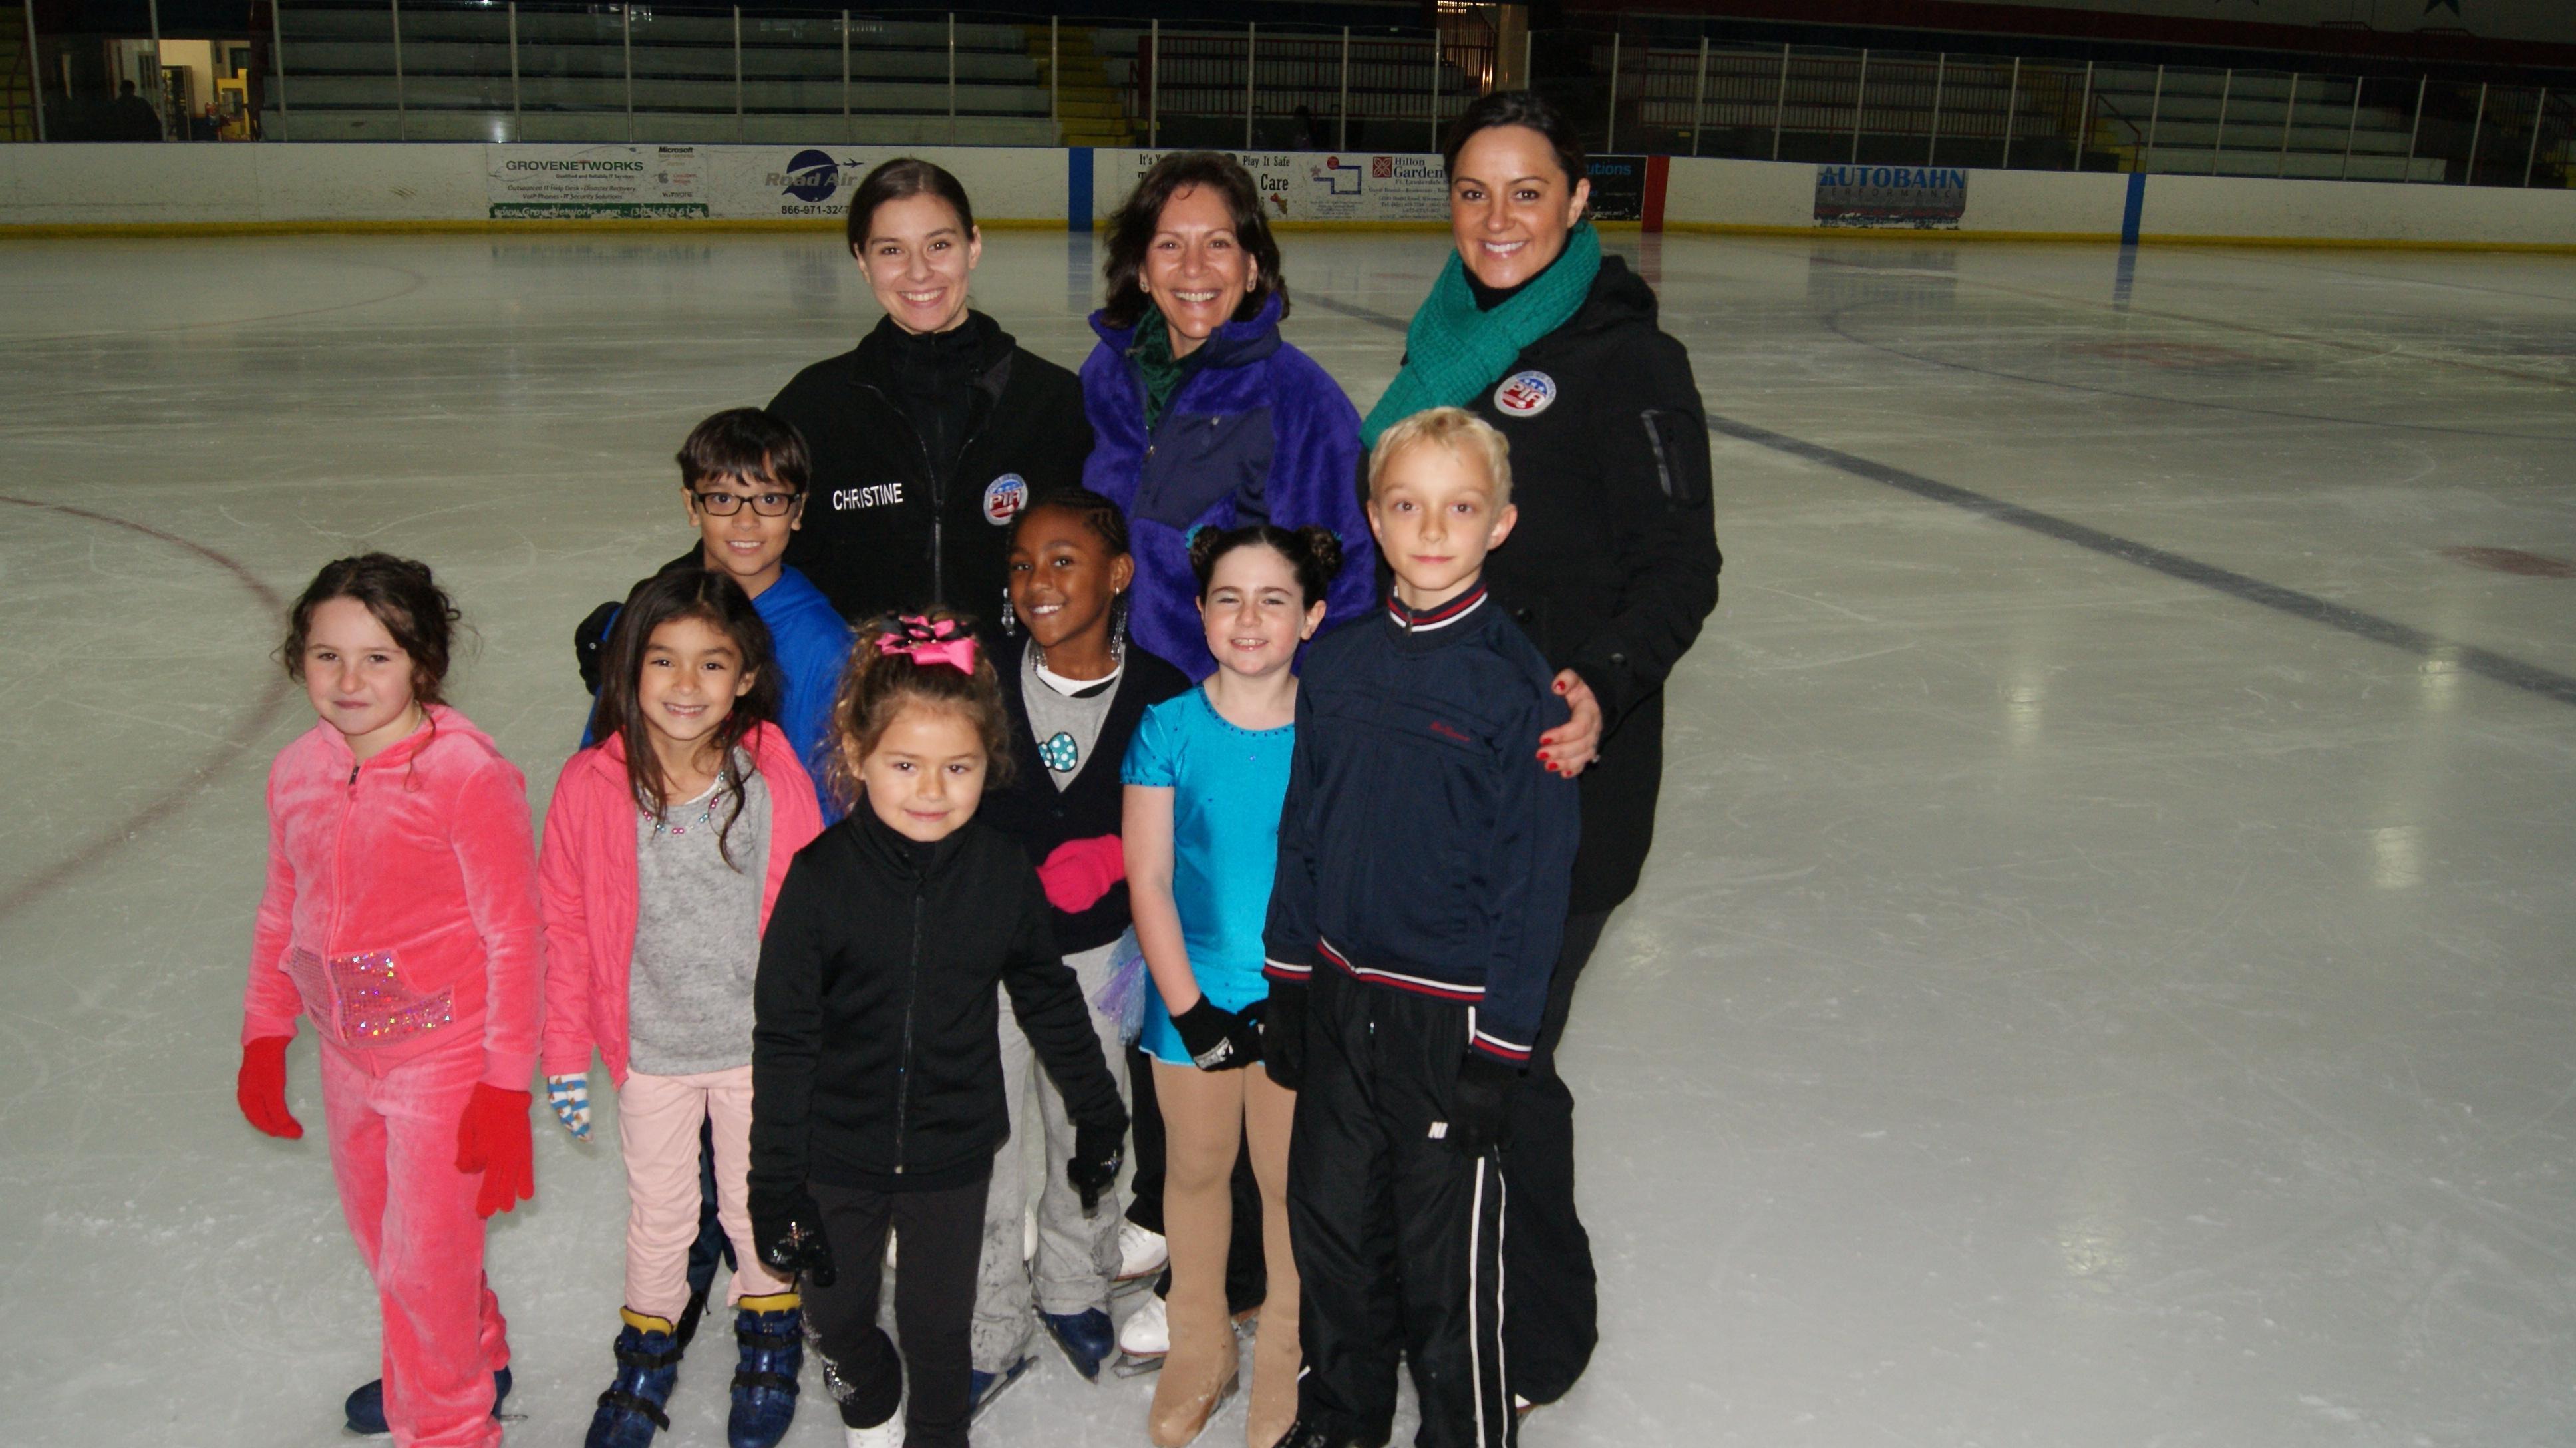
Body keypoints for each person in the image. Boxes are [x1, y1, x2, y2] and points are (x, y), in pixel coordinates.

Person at [1362, 90, 1722, 1412]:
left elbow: (1683, 567)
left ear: (1578, 202)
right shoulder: (1441, 342)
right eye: (1473, 190)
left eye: (1527, 191)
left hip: (1567, 777)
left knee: (1499, 1054)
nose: (1497, 217)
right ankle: (1453, 1279)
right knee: (1443, 1041)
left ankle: (1537, 1325)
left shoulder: (1629, 359)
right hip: (1435, 765)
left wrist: (1602, 687)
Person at [1263, 407, 1580, 1448]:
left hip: (1451, 1026)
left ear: (1503, 524)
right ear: (1372, 519)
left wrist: (1502, 1054)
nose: (1431, 529)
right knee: (1338, 1235)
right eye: (1407, 505)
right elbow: (1302, 828)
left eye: (1460, 507)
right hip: (1345, 998)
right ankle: (1338, 1420)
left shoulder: (1515, 687)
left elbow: (1534, 888)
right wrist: (1290, 978)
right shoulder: (1339, 665)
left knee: (1448, 1269)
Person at [749, 610, 1130, 1448]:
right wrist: (775, 1182)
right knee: (837, 1320)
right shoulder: (819, 884)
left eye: (956, 766)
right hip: (837, 1149)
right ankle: (867, 1384)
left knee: (937, 1333)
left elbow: (1047, 994)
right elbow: (784, 1038)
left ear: (986, 762)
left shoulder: (997, 873)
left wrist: (1099, 1108)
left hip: (952, 1155)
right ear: (855, 754)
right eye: (905, 765)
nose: (931, 790)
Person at [235, 554, 540, 1447]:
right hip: (346, 1056)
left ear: (422, 664)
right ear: (299, 660)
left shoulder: (464, 776)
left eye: (377, 657)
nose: (349, 680)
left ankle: (448, 1425)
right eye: (327, 656)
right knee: (393, 1251)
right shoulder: (297, 771)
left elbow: (515, 935)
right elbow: (279, 909)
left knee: (421, 1267)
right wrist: (265, 1034)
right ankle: (471, 1352)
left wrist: (504, 1086)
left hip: (444, 1061)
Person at [539, 569, 826, 1448]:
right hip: (653, 1053)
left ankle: (770, 1343)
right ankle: (645, 1359)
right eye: (663, 661)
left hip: (756, 1050)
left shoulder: (769, 768)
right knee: (660, 1216)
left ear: (744, 677)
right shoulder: (591, 787)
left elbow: (812, 905)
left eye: (711, 665)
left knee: (754, 1209)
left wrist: (823, 1031)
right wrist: (562, 1051)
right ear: (627, 672)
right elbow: (564, 923)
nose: (686, 686)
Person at [966, 489, 1190, 1401]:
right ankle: (988, 1321)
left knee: (1087, 1128)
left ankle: (1072, 1284)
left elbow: (1190, 832)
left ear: (1119, 574)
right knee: (983, 1144)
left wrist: (1121, 857)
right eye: (1021, 564)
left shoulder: (1164, 695)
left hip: (1103, 964)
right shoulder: (974, 681)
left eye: (1063, 560)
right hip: (986, 960)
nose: (1036, 581)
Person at [1124, 523, 1340, 1448]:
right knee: (1198, 1170)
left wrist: (1305, 999)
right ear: (1200, 609)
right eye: (1228, 597)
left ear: (1313, 617)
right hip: (1195, 993)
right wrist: (1191, 1010)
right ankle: (1199, 1341)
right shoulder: (1168, 727)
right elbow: (1152, 881)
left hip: (1302, 996)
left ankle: (1288, 1346)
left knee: (1292, 1183)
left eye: (1274, 599)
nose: (1248, 618)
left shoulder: (1333, 730)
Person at [1078, 149, 1376, 683]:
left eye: (1219, 243)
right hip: (1107, 701)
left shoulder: (1301, 399)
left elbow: (1345, 583)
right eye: (1170, 245)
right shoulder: (1102, 379)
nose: (1194, 268)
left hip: (1230, 715)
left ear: (1252, 265)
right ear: (1142, 270)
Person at [770, 158, 1093, 626]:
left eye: (939, 244)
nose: (919, 273)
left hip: (1009, 688)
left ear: (974, 246)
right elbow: (744, 543)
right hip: (865, 689)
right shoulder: (814, 407)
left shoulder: (1052, 401)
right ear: (861, 261)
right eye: (891, 251)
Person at [575, 408, 852, 809]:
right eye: (723, 499)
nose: (746, 521)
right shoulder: (644, 621)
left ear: (799, 510)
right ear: (692, 504)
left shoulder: (827, 647)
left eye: (769, 499)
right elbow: (598, 761)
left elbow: (831, 801)